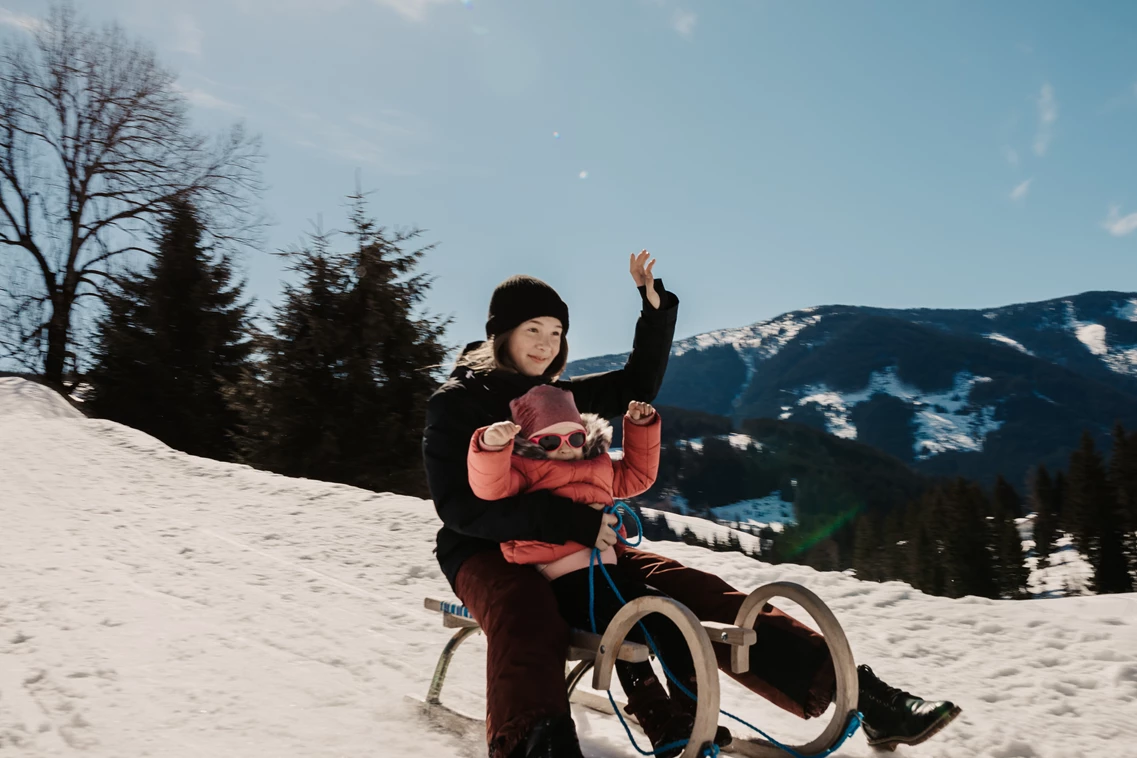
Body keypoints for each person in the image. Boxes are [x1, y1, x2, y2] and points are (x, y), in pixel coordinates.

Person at [422, 253, 959, 758]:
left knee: (698, 592)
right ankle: (533, 744)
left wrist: (654, 311)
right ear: (502, 335)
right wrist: (569, 520)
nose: (545, 345)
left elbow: (636, 386)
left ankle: (862, 696)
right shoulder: (458, 403)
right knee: (526, 614)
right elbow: (458, 509)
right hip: (484, 548)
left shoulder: (557, 395)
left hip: (583, 545)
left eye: (555, 332)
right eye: (531, 330)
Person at [468, 385, 731, 757]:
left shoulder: (599, 465)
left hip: (610, 574)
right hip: (564, 583)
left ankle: (694, 715)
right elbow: (489, 485)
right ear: (529, 444)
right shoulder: (524, 472)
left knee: (672, 616)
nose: (564, 447)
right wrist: (491, 447)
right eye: (549, 441)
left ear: (585, 434)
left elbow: (639, 475)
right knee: (623, 629)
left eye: (573, 436)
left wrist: (641, 427)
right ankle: (661, 722)